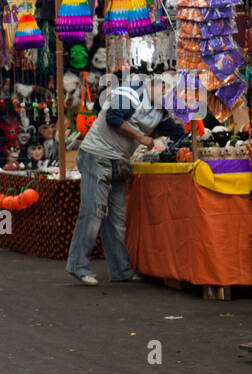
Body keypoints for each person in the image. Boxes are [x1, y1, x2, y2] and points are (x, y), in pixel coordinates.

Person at [66, 73, 185, 285]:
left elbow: (177, 133)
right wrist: (139, 137)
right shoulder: (131, 90)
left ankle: (121, 270)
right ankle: (78, 264)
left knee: (117, 220)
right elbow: (114, 117)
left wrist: (192, 124)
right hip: (97, 156)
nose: (168, 97)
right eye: (167, 92)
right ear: (159, 85)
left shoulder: (160, 111)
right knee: (93, 213)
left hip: (119, 162)